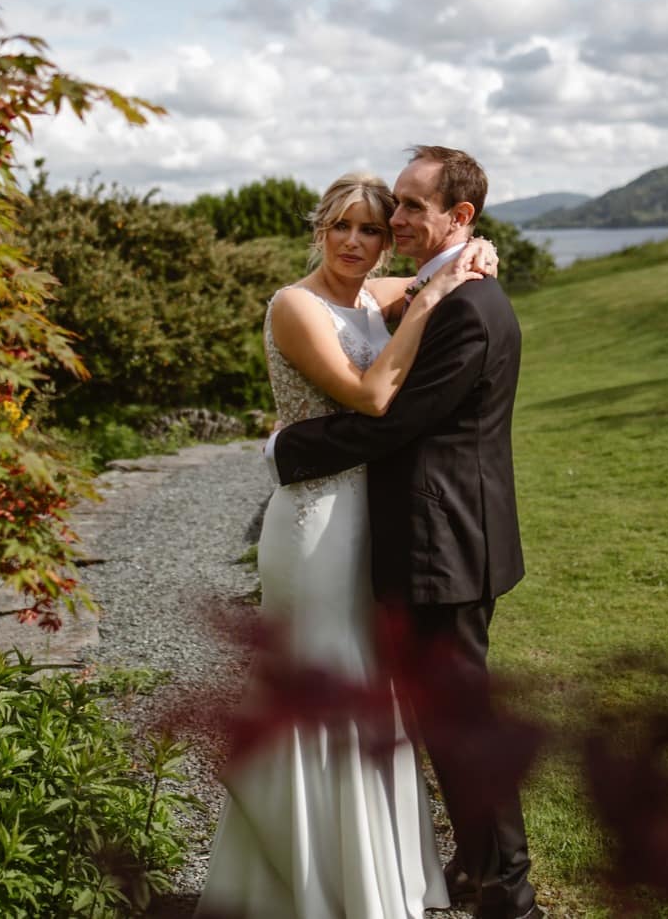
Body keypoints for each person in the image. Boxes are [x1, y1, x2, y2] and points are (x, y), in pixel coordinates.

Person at [197, 170, 496, 919]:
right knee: (320, 682)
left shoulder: (367, 291)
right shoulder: (295, 305)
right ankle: (307, 882)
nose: (358, 242)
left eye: (373, 226)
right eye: (343, 227)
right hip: (316, 523)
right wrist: (428, 299)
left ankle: (376, 877)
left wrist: (474, 252)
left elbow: (434, 263)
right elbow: (369, 396)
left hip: (373, 519)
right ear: (319, 228)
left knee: (371, 688)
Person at [269, 146, 539, 919]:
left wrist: (291, 448)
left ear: (459, 216)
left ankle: (510, 893)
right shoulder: (442, 286)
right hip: (435, 539)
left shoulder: (465, 306)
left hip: (443, 545)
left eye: (412, 207)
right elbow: (380, 293)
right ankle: (473, 865)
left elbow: (397, 422)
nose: (394, 220)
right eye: (399, 206)